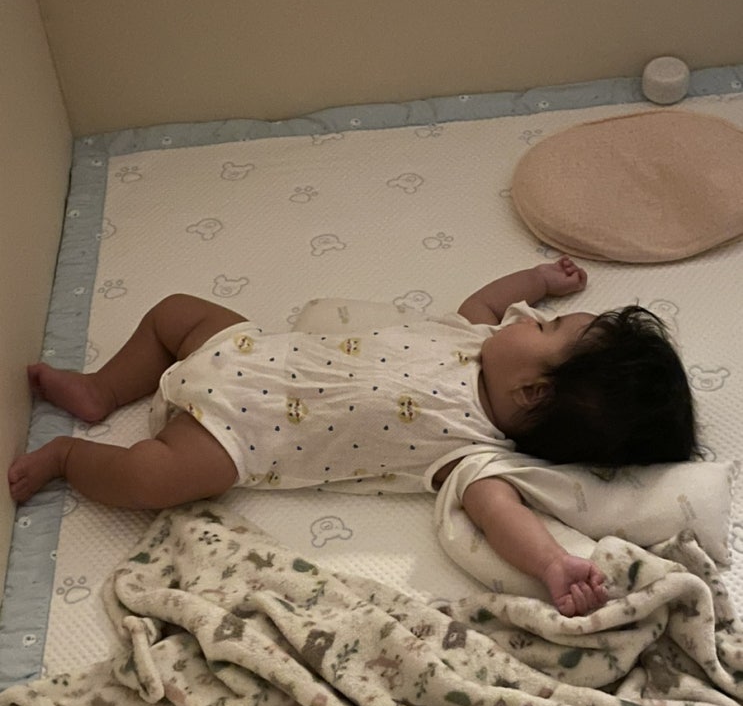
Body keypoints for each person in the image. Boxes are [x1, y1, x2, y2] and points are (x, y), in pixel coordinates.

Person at [7, 257, 697, 617]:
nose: (522, 317)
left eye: (541, 327)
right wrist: (539, 279)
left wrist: (550, 564)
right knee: (175, 312)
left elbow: (499, 515)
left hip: (235, 437)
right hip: (239, 347)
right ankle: (102, 390)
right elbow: (486, 301)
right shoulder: (475, 337)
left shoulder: (472, 452)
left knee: (152, 479)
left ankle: (70, 455)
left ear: (532, 394)